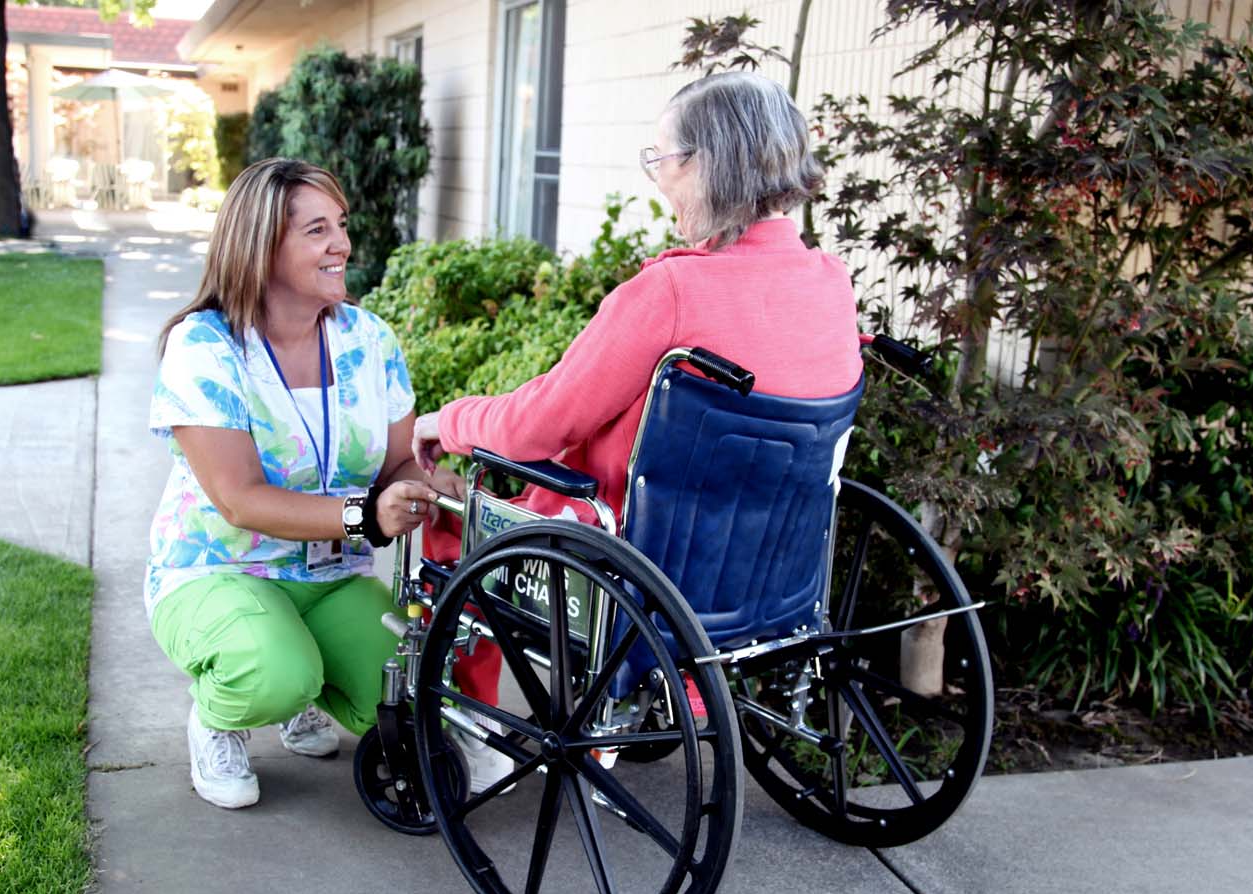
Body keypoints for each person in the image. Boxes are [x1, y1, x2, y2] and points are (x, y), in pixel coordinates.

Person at [413, 73, 866, 788]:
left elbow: (538, 425)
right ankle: (679, 672)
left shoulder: (672, 292)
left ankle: (474, 732)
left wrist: (450, 420)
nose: (659, 181)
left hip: (626, 560)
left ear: (706, 162)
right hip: (772, 575)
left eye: (662, 160)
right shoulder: (831, 284)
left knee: (451, 520)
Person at [146, 158, 437, 810]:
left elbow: (397, 464)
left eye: (341, 225)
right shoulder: (204, 348)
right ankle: (224, 716)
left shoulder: (369, 339)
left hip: (327, 578)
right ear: (261, 246)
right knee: (275, 672)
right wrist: (367, 516)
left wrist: (422, 486)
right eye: (316, 231)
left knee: (410, 696)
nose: (342, 245)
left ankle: (298, 682)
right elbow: (240, 498)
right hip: (220, 571)